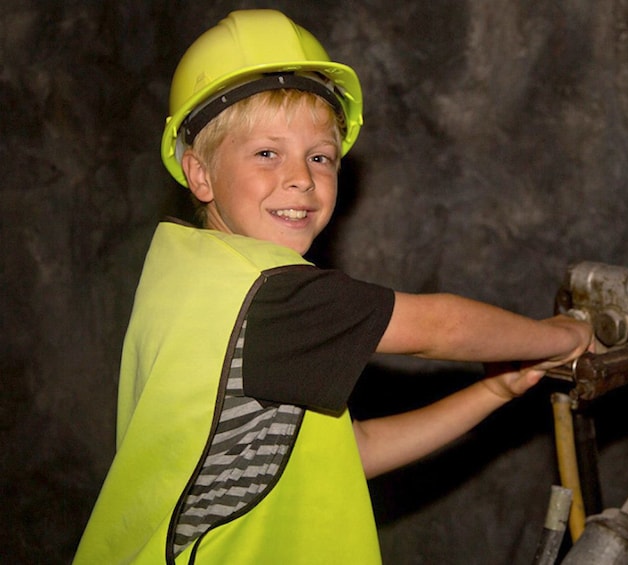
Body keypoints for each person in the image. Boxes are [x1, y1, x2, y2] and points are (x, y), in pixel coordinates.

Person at [73, 9, 593, 564]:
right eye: (267, 153)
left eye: (320, 156)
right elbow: (438, 328)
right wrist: (558, 337)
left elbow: (350, 451)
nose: (301, 177)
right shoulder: (272, 299)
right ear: (199, 173)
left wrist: (489, 393)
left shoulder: (184, 271)